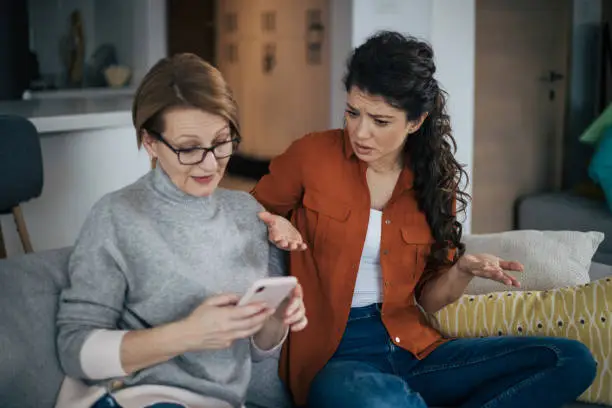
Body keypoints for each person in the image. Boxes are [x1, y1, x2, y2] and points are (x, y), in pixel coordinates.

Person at [252, 31, 597, 408]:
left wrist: (462, 269)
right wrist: (274, 220)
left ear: (415, 122)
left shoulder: (433, 185)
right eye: (353, 112)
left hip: (414, 348)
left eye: (380, 121)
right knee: (377, 402)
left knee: (570, 359)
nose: (360, 132)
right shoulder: (312, 154)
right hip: (337, 360)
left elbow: (429, 301)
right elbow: (243, 215)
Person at [54, 53, 307, 408]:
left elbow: (257, 354)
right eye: (188, 148)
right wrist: (188, 334)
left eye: (221, 142)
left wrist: (275, 322)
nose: (209, 163)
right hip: (140, 397)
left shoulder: (247, 213)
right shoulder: (116, 215)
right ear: (151, 142)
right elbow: (74, 350)